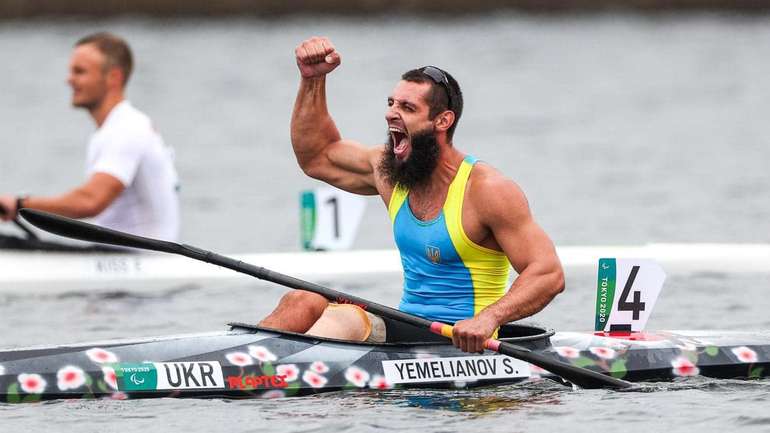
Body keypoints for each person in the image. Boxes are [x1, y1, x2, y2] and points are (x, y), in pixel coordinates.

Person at [259, 36, 565, 353]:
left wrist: (488, 319)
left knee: (345, 319)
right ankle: (245, 363)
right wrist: (312, 80)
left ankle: (276, 370)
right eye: (391, 103)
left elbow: (547, 273)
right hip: (408, 332)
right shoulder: (390, 173)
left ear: (442, 120)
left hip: (461, 343)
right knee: (301, 300)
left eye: (407, 108)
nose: (391, 113)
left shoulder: (487, 190)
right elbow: (317, 156)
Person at [0, 32, 179, 242]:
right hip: (118, 255)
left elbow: (90, 201)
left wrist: (20, 204)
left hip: (141, 258)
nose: (69, 79)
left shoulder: (127, 129)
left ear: (113, 77)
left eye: (80, 71)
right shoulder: (117, 127)